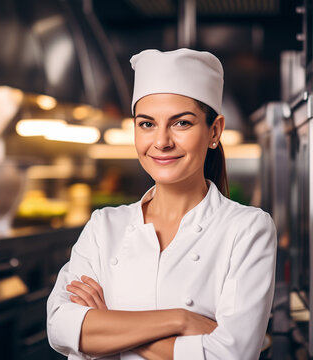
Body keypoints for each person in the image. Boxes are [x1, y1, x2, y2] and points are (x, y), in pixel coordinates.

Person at [47, 48, 277, 360]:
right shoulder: (104, 226)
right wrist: (178, 320)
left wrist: (108, 326)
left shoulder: (247, 229)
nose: (161, 141)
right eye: (146, 124)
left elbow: (229, 355)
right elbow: (60, 326)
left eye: (181, 123)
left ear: (214, 131)